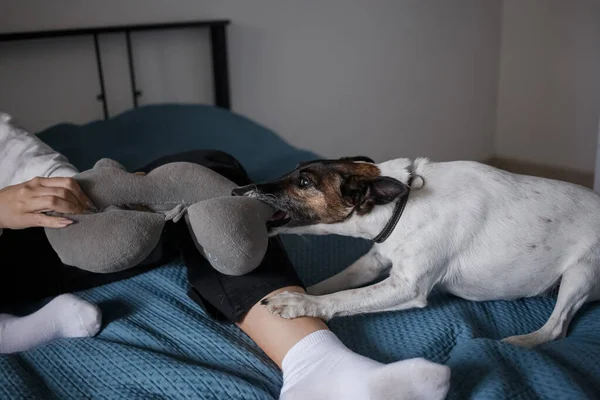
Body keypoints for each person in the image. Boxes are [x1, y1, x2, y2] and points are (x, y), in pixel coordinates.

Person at [0, 113, 450, 400]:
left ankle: (318, 364)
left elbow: (26, 161)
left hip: (58, 229)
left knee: (207, 171)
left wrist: (103, 190)